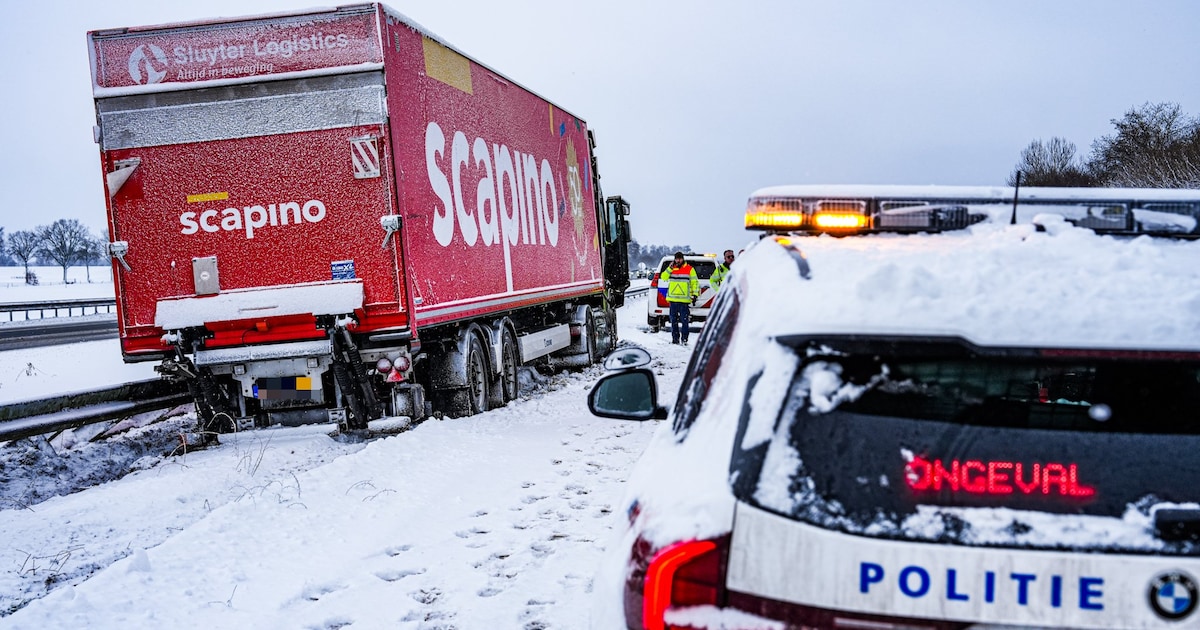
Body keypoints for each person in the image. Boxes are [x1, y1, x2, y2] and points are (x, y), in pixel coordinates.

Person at [660, 252, 699, 345]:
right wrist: (669, 268)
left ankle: (684, 339)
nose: (678, 261)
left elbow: (695, 282)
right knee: (673, 321)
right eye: (676, 259)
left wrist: (695, 294)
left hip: (684, 301)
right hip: (673, 301)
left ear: (683, 259)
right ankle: (675, 339)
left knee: (684, 321)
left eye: (680, 259)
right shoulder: (671, 269)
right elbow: (663, 277)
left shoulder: (689, 269)